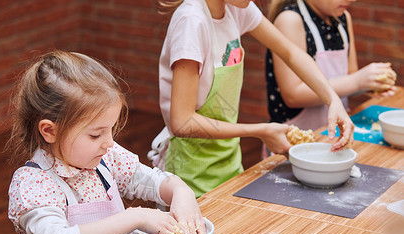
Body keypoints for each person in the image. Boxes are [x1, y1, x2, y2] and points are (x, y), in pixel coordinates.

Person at [6, 50, 206, 234]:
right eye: (95, 134)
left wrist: (181, 191)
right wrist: (135, 217)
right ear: (50, 131)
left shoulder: (105, 157)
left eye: (111, 129)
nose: (109, 142)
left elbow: (152, 181)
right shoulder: (33, 183)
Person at [149, 0, 354, 198]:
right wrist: (260, 131)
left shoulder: (236, 8)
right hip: (189, 171)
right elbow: (182, 122)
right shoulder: (192, 22)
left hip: (229, 160)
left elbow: (291, 53)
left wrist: (333, 100)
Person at [266, 0, 397, 131]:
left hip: (336, 132)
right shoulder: (290, 20)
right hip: (293, 137)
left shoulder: (343, 18)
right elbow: (293, 96)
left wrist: (367, 84)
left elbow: (349, 77)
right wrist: (356, 81)